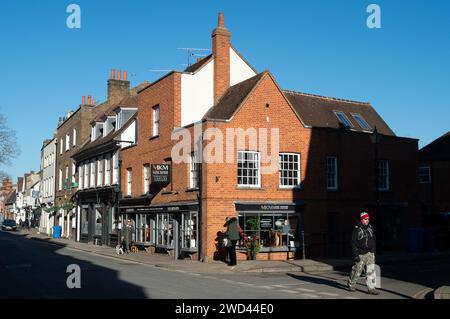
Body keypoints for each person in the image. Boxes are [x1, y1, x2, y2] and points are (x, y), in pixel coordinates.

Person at [347, 212, 380, 295]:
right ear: (362, 219)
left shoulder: (370, 228)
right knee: (357, 270)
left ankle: (371, 288)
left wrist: (374, 253)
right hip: (361, 253)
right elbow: (353, 242)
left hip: (370, 253)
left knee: (371, 271)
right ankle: (351, 284)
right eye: (365, 219)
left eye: (368, 219)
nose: (367, 220)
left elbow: (374, 241)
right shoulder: (357, 229)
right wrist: (356, 254)